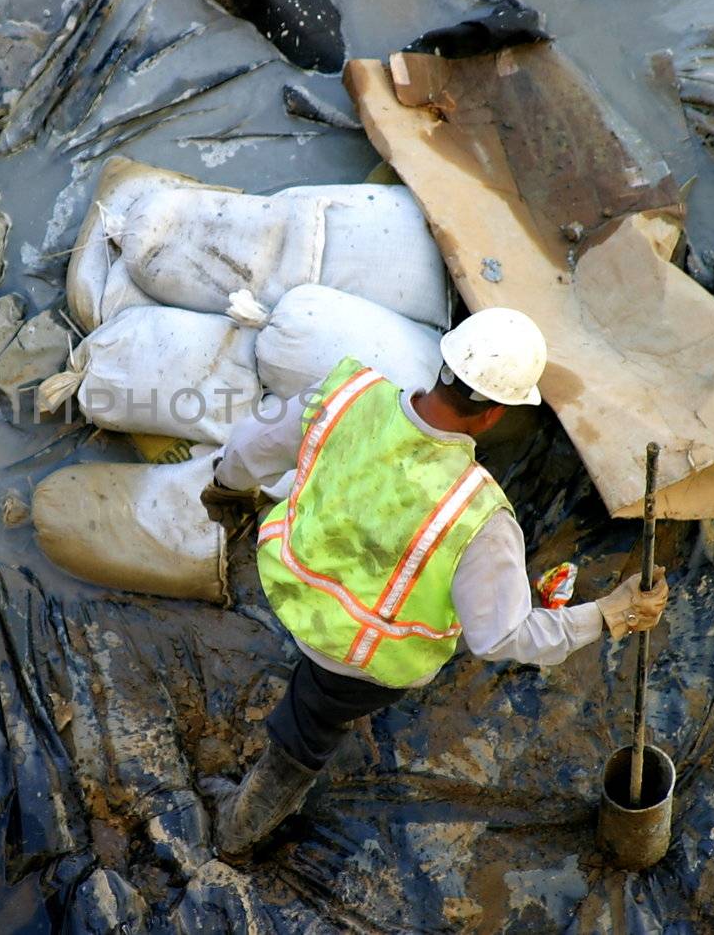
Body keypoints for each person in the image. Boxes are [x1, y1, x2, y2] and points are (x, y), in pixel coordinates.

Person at [199, 307, 669, 860]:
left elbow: (249, 451)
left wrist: (226, 488)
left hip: (292, 589)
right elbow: (501, 638)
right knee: (306, 731)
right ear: (494, 416)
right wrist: (610, 613)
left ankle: (268, 780)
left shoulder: (345, 397)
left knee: (315, 696)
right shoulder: (480, 516)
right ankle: (239, 831)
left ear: (444, 361)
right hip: (359, 659)